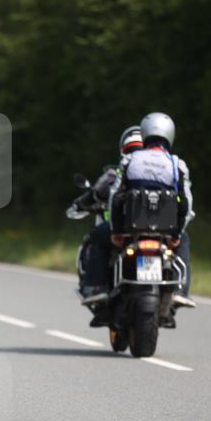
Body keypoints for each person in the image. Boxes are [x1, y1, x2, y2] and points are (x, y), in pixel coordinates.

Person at [109, 112, 196, 319]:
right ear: (170, 135)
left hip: (132, 230)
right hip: (166, 232)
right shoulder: (177, 164)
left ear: (145, 133)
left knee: (103, 243)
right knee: (184, 240)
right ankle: (181, 292)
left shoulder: (130, 160)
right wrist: (177, 233)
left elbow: (116, 196)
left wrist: (116, 230)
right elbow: (185, 203)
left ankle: (100, 289)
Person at [69, 125, 144, 301]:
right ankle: (178, 290)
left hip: (122, 229)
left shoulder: (117, 172)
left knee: (96, 236)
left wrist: (80, 204)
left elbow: (96, 194)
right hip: (157, 229)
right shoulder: (163, 169)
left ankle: (96, 287)